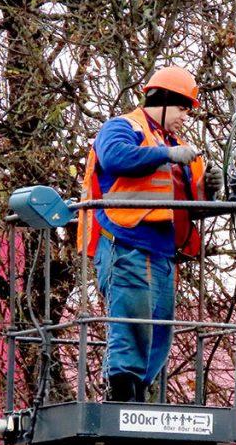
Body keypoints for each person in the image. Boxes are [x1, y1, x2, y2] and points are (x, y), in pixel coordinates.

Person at [77, 67, 224, 402]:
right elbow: (116, 157)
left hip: (162, 251)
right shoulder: (125, 127)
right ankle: (120, 393)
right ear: (163, 102)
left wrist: (209, 189)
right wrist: (166, 154)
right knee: (131, 320)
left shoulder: (176, 146)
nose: (185, 118)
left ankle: (136, 393)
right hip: (126, 241)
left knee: (158, 330)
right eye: (183, 109)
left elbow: (188, 201)